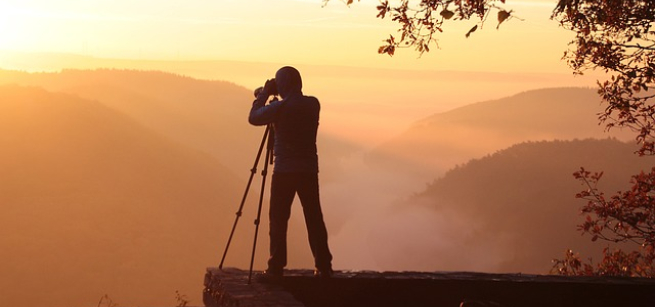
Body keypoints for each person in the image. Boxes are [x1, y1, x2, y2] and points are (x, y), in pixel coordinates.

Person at [248, 66, 333, 279]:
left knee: (278, 218)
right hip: (308, 170)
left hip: (284, 170)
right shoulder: (313, 104)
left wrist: (265, 93)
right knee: (314, 217)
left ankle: (276, 266)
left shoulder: (279, 108)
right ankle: (324, 265)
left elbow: (254, 117)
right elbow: (291, 105)